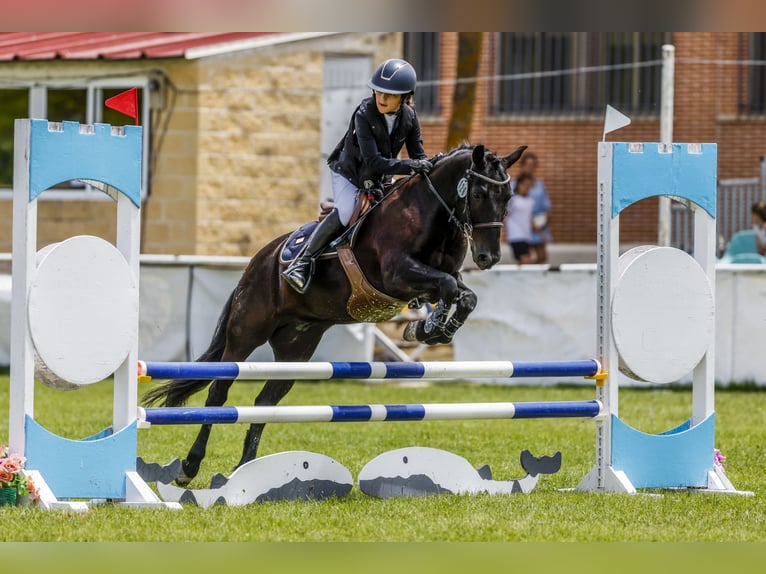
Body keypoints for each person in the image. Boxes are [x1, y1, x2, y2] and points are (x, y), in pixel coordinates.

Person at [282, 58, 433, 294]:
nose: (382, 99)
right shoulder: (364, 114)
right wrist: (412, 165)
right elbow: (372, 162)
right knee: (344, 212)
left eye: (389, 95)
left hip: (381, 175)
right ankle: (302, 262)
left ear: (405, 97)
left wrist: (427, 167)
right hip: (350, 173)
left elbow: (418, 155)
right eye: (379, 92)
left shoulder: (410, 117)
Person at [516, 152, 552, 264]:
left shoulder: (539, 184)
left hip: (539, 224)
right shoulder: (514, 185)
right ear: (522, 166)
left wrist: (544, 221)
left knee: (542, 256)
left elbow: (546, 205)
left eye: (532, 166)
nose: (530, 168)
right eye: (527, 165)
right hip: (523, 226)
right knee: (526, 257)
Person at [504, 172, 535, 265]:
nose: (527, 187)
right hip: (515, 235)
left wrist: (540, 233)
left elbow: (529, 218)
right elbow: (505, 215)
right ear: (519, 184)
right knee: (525, 261)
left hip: (527, 235)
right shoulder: (513, 200)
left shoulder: (530, 200)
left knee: (524, 262)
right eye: (525, 185)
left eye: (529, 185)